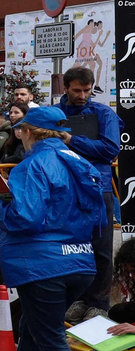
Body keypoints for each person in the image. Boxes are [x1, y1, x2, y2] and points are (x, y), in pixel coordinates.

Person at [0, 106, 106, 351]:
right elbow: (100, 218)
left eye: (21, 130)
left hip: (43, 263)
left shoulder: (33, 165)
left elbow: (24, 218)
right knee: (35, 328)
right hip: (80, 260)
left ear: (29, 132)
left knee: (50, 336)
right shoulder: (79, 162)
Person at [57, 67, 120, 323]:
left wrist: (72, 141)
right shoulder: (56, 113)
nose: (83, 95)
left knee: (101, 248)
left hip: (98, 188)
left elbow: (110, 149)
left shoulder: (104, 113)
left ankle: (99, 304)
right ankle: (79, 299)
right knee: (71, 247)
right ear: (66, 88)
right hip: (65, 187)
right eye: (77, 90)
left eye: (87, 90)